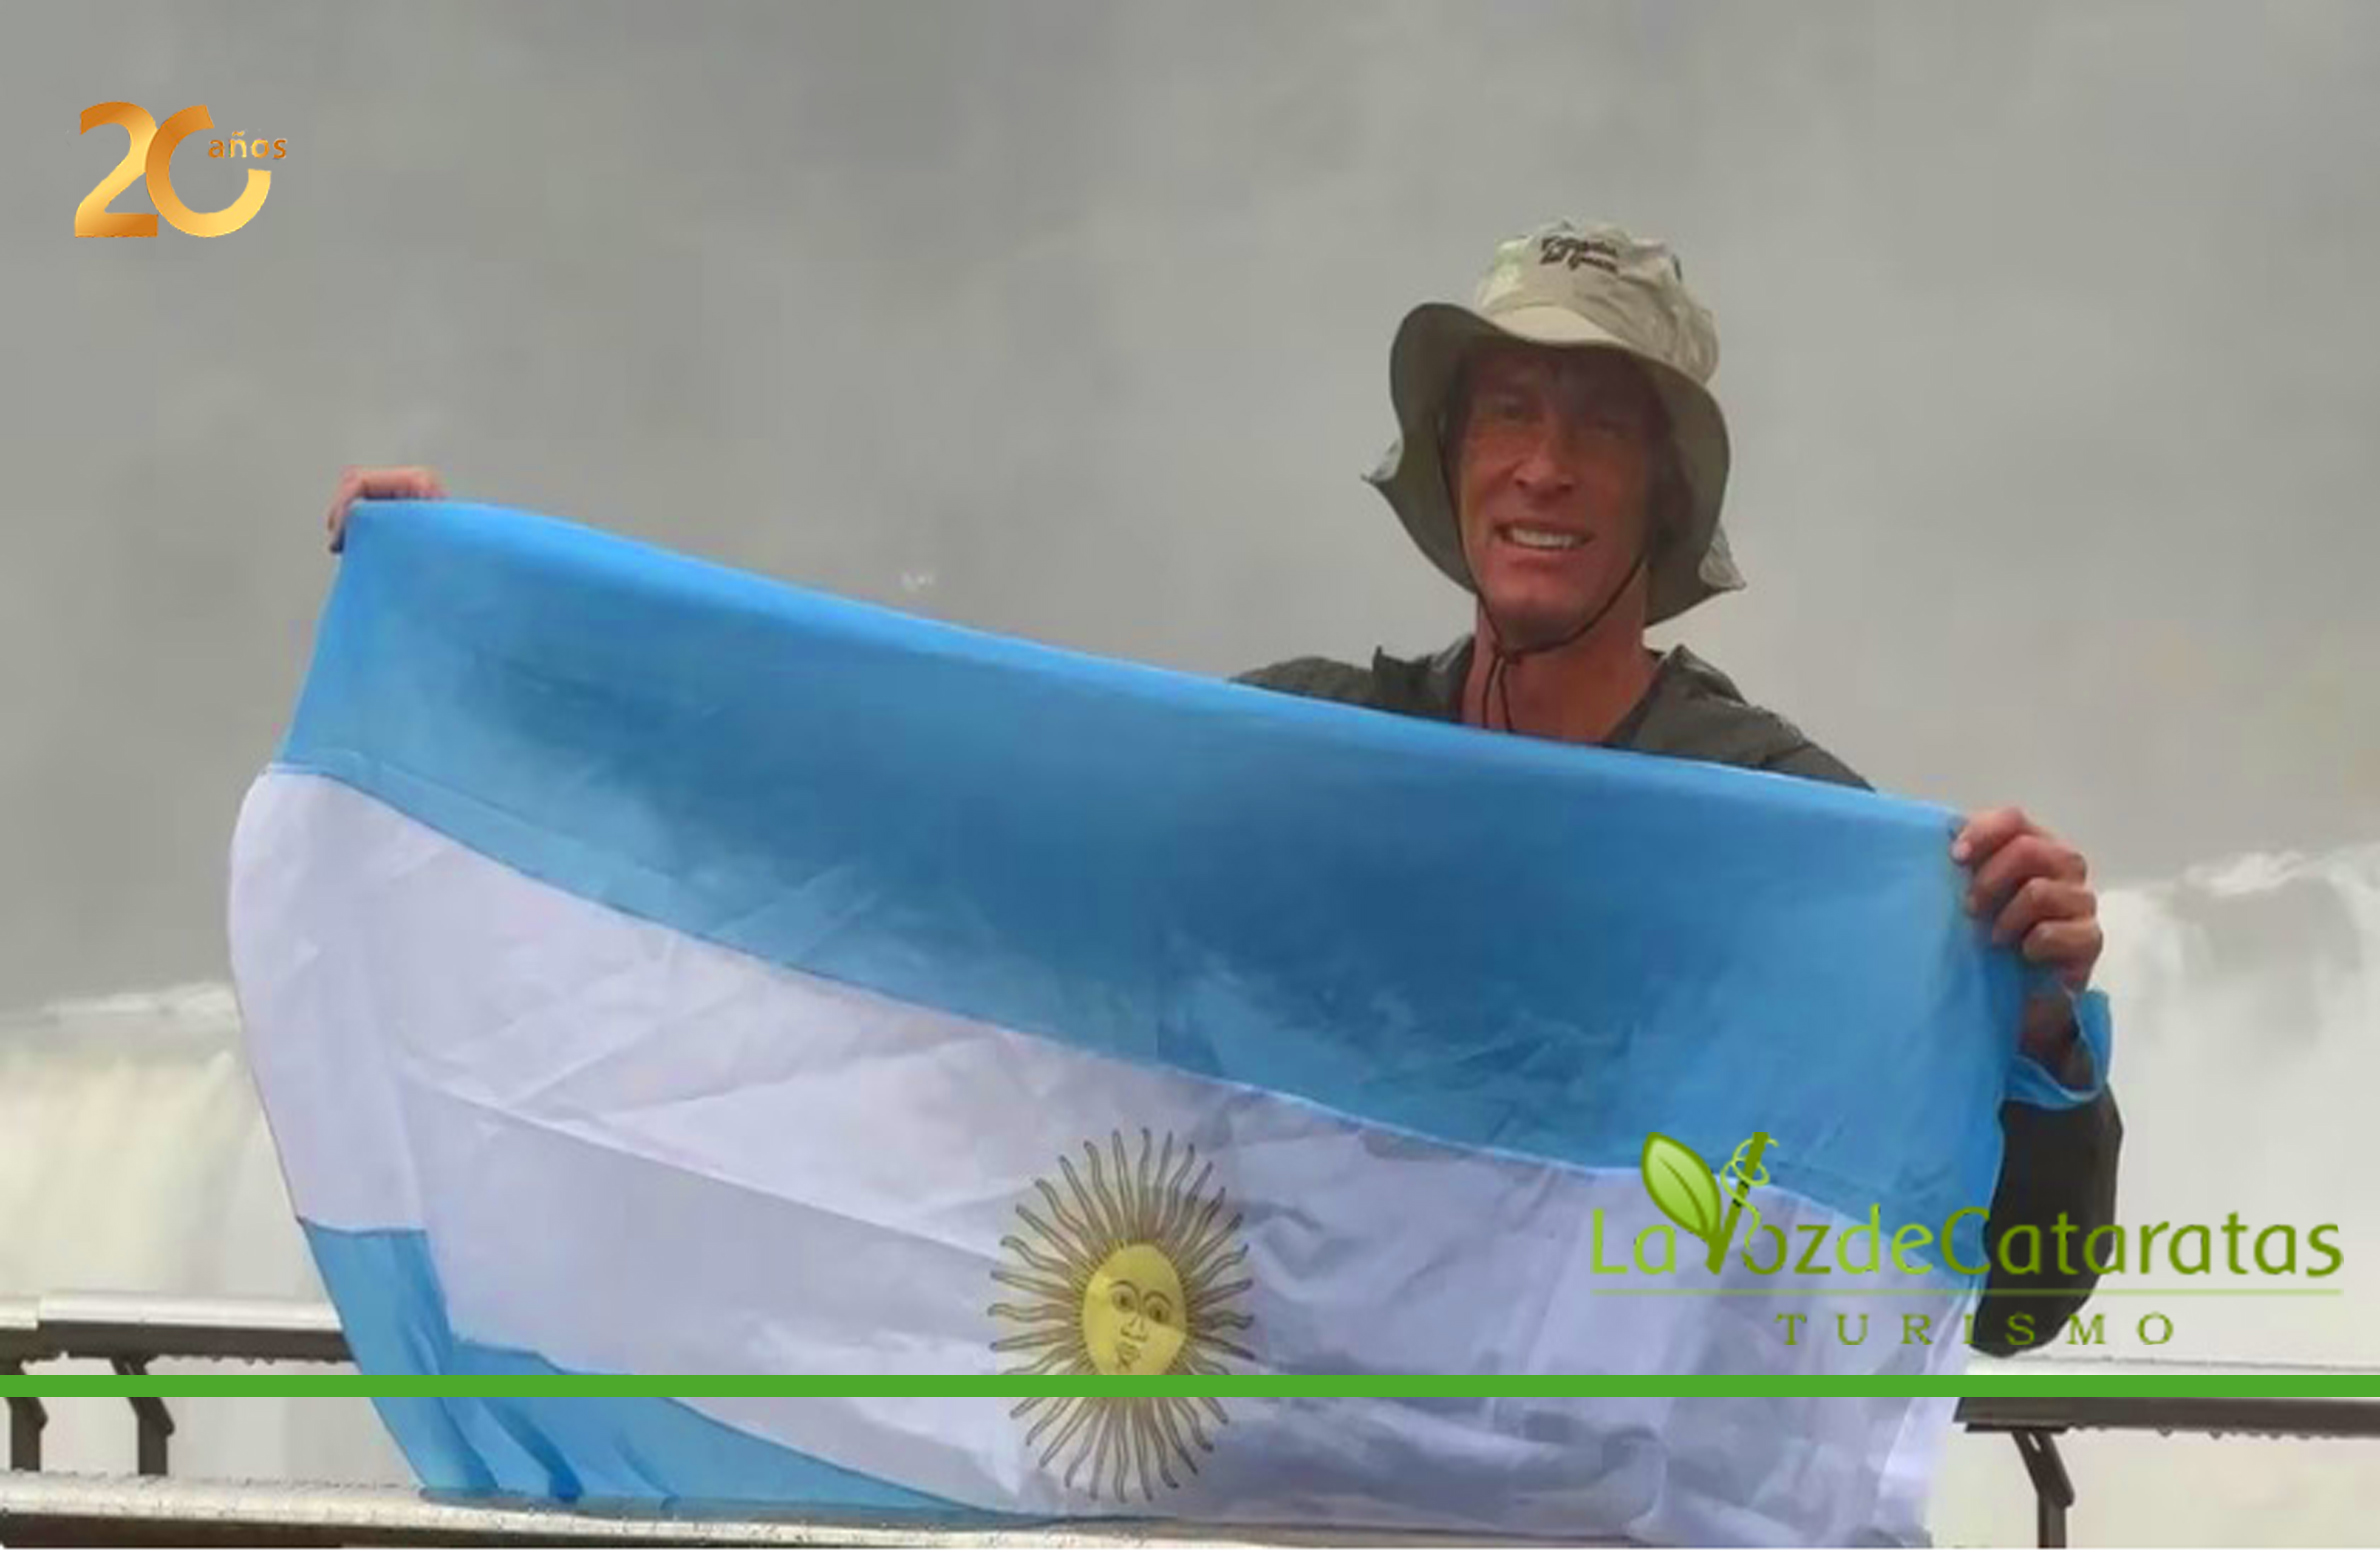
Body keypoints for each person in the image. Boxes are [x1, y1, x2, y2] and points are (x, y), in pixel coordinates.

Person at [319, 219, 2118, 1353]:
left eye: (1603, 423)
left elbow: (2018, 1303)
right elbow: (927, 804)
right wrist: (498, 635)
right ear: (1452, 463)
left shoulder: (1783, 838)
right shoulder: (1303, 760)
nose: (1545, 465)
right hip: (1282, 1485)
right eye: (1508, 411)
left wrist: (2032, 1039)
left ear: (1666, 494)